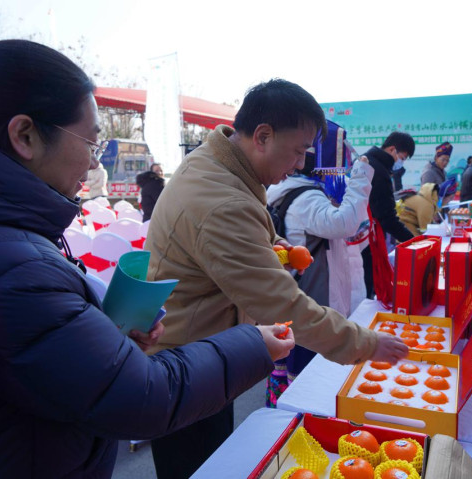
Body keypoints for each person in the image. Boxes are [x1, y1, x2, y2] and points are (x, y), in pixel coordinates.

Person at [0, 40, 295, 478]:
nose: (93, 164)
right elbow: (141, 398)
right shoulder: (6, 270)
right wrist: (253, 344)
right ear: (25, 135)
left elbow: (37, 362)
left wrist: (101, 338)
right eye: (90, 142)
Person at [145, 79, 408, 478]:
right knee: (196, 464)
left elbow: (244, 235)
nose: (300, 164)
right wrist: (368, 343)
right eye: (299, 150)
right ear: (263, 136)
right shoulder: (221, 199)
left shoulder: (222, 167)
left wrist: (274, 245)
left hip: (202, 349)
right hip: (185, 365)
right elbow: (282, 305)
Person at [265, 150, 373, 405]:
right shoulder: (307, 198)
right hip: (310, 301)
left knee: (294, 372)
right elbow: (345, 224)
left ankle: (288, 416)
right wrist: (360, 178)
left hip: (300, 296)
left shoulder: (300, 192)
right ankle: (300, 420)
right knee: (308, 381)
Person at [360, 131, 416, 299]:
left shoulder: (366, 162)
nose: (401, 163)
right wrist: (412, 240)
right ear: (392, 149)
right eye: (402, 158)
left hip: (360, 234)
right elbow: (387, 217)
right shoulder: (378, 171)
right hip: (368, 237)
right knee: (368, 283)